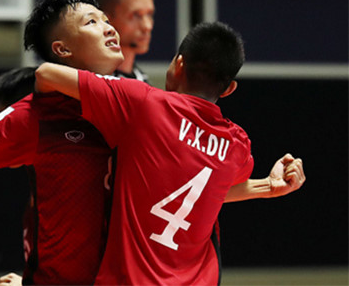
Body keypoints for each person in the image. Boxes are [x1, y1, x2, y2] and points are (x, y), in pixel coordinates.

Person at [0, 0, 304, 285]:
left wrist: (266, 186)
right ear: (62, 50)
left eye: (104, 18)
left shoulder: (147, 107)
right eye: (93, 22)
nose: (109, 27)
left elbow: (183, 191)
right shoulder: (37, 115)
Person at [34, 21, 305, 284]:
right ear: (229, 88)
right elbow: (204, 195)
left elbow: (46, 74)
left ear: (179, 64)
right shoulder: (236, 144)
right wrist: (268, 186)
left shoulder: (142, 102)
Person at [96, 0, 156, 82]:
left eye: (149, 14)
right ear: (107, 19)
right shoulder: (96, 81)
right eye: (136, 15)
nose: (147, 26)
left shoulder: (142, 79)